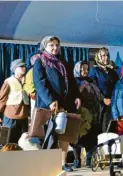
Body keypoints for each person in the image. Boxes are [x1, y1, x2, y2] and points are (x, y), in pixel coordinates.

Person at [32, 36, 81, 172]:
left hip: (65, 103)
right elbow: (39, 83)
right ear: (44, 47)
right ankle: (47, 163)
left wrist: (76, 96)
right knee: (49, 134)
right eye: (51, 45)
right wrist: (50, 100)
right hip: (49, 104)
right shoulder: (40, 61)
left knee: (64, 134)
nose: (55, 48)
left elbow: (71, 81)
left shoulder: (63, 61)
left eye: (57, 45)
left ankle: (63, 162)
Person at [71, 61, 103, 168]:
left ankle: (89, 159)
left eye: (86, 69)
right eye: (81, 69)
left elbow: (98, 95)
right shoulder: (74, 81)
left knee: (91, 136)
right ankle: (77, 159)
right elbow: (73, 95)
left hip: (92, 113)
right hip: (80, 112)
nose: (84, 71)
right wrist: (82, 87)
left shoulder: (91, 81)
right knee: (77, 137)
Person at [89, 47, 119, 133]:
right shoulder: (94, 70)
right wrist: (103, 99)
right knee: (102, 129)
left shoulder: (112, 72)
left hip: (112, 103)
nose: (106, 58)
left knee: (112, 129)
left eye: (107, 55)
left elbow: (117, 86)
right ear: (98, 57)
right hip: (100, 104)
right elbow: (93, 87)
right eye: (103, 55)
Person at [0, 59, 29, 143]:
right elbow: (2, 99)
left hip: (24, 115)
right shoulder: (8, 81)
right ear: (15, 69)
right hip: (11, 115)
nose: (24, 68)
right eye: (21, 66)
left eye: (24, 66)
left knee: (23, 140)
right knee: (7, 140)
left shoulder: (27, 81)